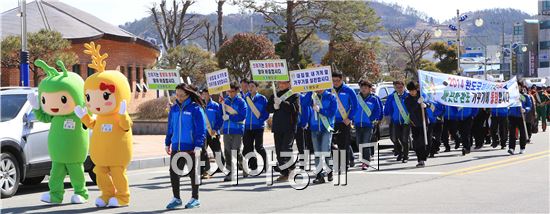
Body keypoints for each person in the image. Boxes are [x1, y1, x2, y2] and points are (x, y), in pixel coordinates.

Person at [164, 83, 206, 210]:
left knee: (193, 173)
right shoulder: (174, 108)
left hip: (191, 147)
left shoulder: (195, 108)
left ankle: (195, 198)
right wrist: (167, 142)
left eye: (181, 95)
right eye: (177, 95)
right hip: (177, 146)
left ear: (188, 94)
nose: (179, 97)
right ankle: (176, 198)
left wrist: (199, 144)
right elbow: (170, 126)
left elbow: (201, 129)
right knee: (174, 172)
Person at [267, 81, 300, 182]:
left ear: (289, 84)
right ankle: (285, 173)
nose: (281, 85)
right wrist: (274, 106)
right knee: (278, 150)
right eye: (280, 83)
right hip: (277, 127)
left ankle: (291, 168)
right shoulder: (274, 95)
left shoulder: (294, 95)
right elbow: (268, 109)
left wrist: (282, 103)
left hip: (289, 126)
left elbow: (295, 109)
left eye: (284, 83)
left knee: (286, 149)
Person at [306, 89, 337, 184]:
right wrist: (309, 92)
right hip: (314, 128)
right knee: (317, 153)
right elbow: (304, 104)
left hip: (326, 127)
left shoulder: (331, 97)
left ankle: (329, 171)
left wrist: (321, 110)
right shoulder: (311, 96)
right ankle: (319, 175)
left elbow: (332, 113)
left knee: (325, 150)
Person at [220, 83, 247, 182]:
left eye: (232, 91)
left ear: (236, 91)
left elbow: (242, 116)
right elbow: (220, 113)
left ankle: (244, 165)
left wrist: (230, 117)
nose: (230, 93)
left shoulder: (241, 102)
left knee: (236, 151)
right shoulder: (224, 101)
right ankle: (230, 173)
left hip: (238, 129)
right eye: (229, 91)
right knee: (227, 151)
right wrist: (221, 110)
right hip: (226, 130)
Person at [330, 72, 358, 168]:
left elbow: (355, 106)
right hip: (330, 122)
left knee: (343, 143)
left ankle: (344, 163)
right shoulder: (329, 90)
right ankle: (342, 159)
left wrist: (349, 118)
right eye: (333, 81)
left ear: (341, 80)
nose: (335, 83)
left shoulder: (348, 90)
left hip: (344, 121)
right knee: (329, 144)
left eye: (337, 80)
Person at [353, 80, 382, 170]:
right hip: (358, 124)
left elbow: (378, 110)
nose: (363, 89)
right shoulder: (356, 98)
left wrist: (372, 119)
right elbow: (352, 108)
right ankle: (364, 159)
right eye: (362, 88)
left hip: (368, 125)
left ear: (370, 89)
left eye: (366, 88)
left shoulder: (374, 98)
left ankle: (365, 162)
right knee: (359, 143)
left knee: (365, 143)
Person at [242, 81, 269, 175]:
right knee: (248, 148)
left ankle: (266, 165)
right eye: (249, 86)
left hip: (258, 127)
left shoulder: (262, 98)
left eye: (252, 86)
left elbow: (266, 112)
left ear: (257, 88)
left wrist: (261, 119)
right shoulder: (245, 97)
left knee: (259, 147)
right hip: (247, 127)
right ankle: (253, 167)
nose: (250, 88)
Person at [404, 81, 430, 167]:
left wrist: (426, 104)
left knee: (424, 141)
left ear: (416, 89)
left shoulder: (422, 95)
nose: (412, 92)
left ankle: (424, 156)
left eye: (413, 90)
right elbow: (410, 109)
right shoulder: (407, 99)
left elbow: (430, 103)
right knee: (417, 142)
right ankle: (420, 159)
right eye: (410, 91)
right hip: (414, 123)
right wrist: (417, 103)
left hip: (424, 122)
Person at [384, 80, 410, 163]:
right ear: (395, 88)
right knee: (396, 138)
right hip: (395, 121)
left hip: (406, 121)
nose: (399, 89)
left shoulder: (408, 96)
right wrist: (390, 118)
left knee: (405, 138)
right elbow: (388, 109)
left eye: (401, 87)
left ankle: (405, 156)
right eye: (397, 87)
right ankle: (400, 152)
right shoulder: (392, 97)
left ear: (404, 86)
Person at [200, 89, 225, 178]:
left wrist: (215, 128)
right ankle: (204, 169)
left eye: (206, 94)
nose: (204, 96)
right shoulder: (200, 106)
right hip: (203, 133)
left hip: (213, 132)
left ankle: (221, 165)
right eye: (203, 94)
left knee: (217, 150)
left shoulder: (215, 105)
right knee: (202, 152)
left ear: (210, 95)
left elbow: (220, 119)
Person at [507, 83, 532, 155]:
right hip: (512, 116)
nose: (517, 88)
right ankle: (511, 148)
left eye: (519, 87)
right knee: (512, 133)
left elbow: (529, 105)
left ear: (521, 87)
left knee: (522, 133)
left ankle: (522, 148)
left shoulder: (524, 96)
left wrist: (525, 110)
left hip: (521, 116)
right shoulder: (511, 96)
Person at [296, 92, 313, 169]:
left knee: (302, 145)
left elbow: (307, 110)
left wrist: (305, 122)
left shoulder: (301, 97)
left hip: (302, 125)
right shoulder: (290, 97)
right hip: (292, 125)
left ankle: (303, 162)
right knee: (300, 145)